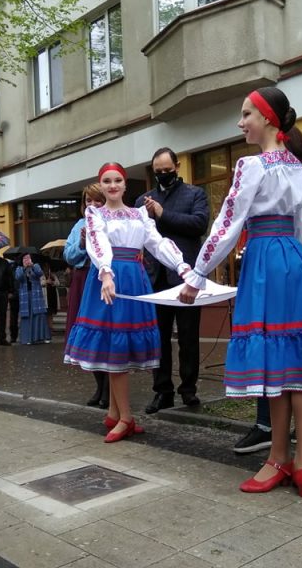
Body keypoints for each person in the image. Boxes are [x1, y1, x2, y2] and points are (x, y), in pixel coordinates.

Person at [179, 87, 302, 498]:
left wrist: (196, 277)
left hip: (267, 262)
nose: (241, 122)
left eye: (247, 113)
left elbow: (227, 224)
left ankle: (278, 459)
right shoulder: (299, 168)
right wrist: (287, 254)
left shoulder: (251, 166)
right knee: (300, 368)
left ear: (268, 118)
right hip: (296, 262)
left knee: (274, 369)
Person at [64, 162, 189, 443]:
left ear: (124, 184)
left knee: (120, 349)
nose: (112, 185)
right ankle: (126, 418)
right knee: (115, 351)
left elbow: (157, 243)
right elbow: (97, 243)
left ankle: (114, 413)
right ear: (102, 184)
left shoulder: (139, 214)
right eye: (106, 181)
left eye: (117, 180)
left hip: (134, 278)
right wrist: (106, 272)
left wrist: (182, 267)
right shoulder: (96, 214)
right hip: (110, 280)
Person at [233, 126, 302, 454]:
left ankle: (297, 443)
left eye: (248, 115)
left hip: (292, 267)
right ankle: (269, 431)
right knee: (269, 349)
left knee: (295, 353)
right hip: (272, 263)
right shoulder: (262, 167)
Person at [135, 147, 209, 414]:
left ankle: (188, 390)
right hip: (155, 278)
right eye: (158, 172)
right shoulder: (143, 199)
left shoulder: (195, 194)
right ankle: (162, 391)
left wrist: (163, 214)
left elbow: (199, 225)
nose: (163, 175)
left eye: (167, 170)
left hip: (187, 277)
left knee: (189, 336)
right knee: (159, 337)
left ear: (177, 167)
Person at [64, 183, 109, 408]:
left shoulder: (113, 220)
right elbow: (68, 255)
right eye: (87, 201)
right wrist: (81, 243)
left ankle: (110, 388)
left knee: (105, 332)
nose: (92, 205)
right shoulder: (79, 225)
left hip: (105, 280)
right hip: (82, 280)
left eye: (97, 200)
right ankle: (99, 386)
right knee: (88, 334)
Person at [15, 253, 51, 344]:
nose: (27, 260)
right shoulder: (19, 269)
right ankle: (28, 339)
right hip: (25, 296)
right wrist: (24, 268)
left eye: (28, 258)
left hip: (36, 295)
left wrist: (32, 266)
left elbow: (40, 273)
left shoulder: (36, 266)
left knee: (39, 314)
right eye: (25, 258)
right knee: (27, 315)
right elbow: (18, 278)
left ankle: (42, 337)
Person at [41, 260, 60, 335]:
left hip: (52, 295)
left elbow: (58, 283)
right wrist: (46, 281)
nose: (47, 268)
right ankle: (46, 328)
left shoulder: (52, 275)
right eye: (45, 267)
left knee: (51, 313)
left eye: (48, 267)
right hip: (45, 296)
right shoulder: (40, 275)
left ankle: (51, 327)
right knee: (46, 312)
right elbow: (40, 283)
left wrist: (53, 282)